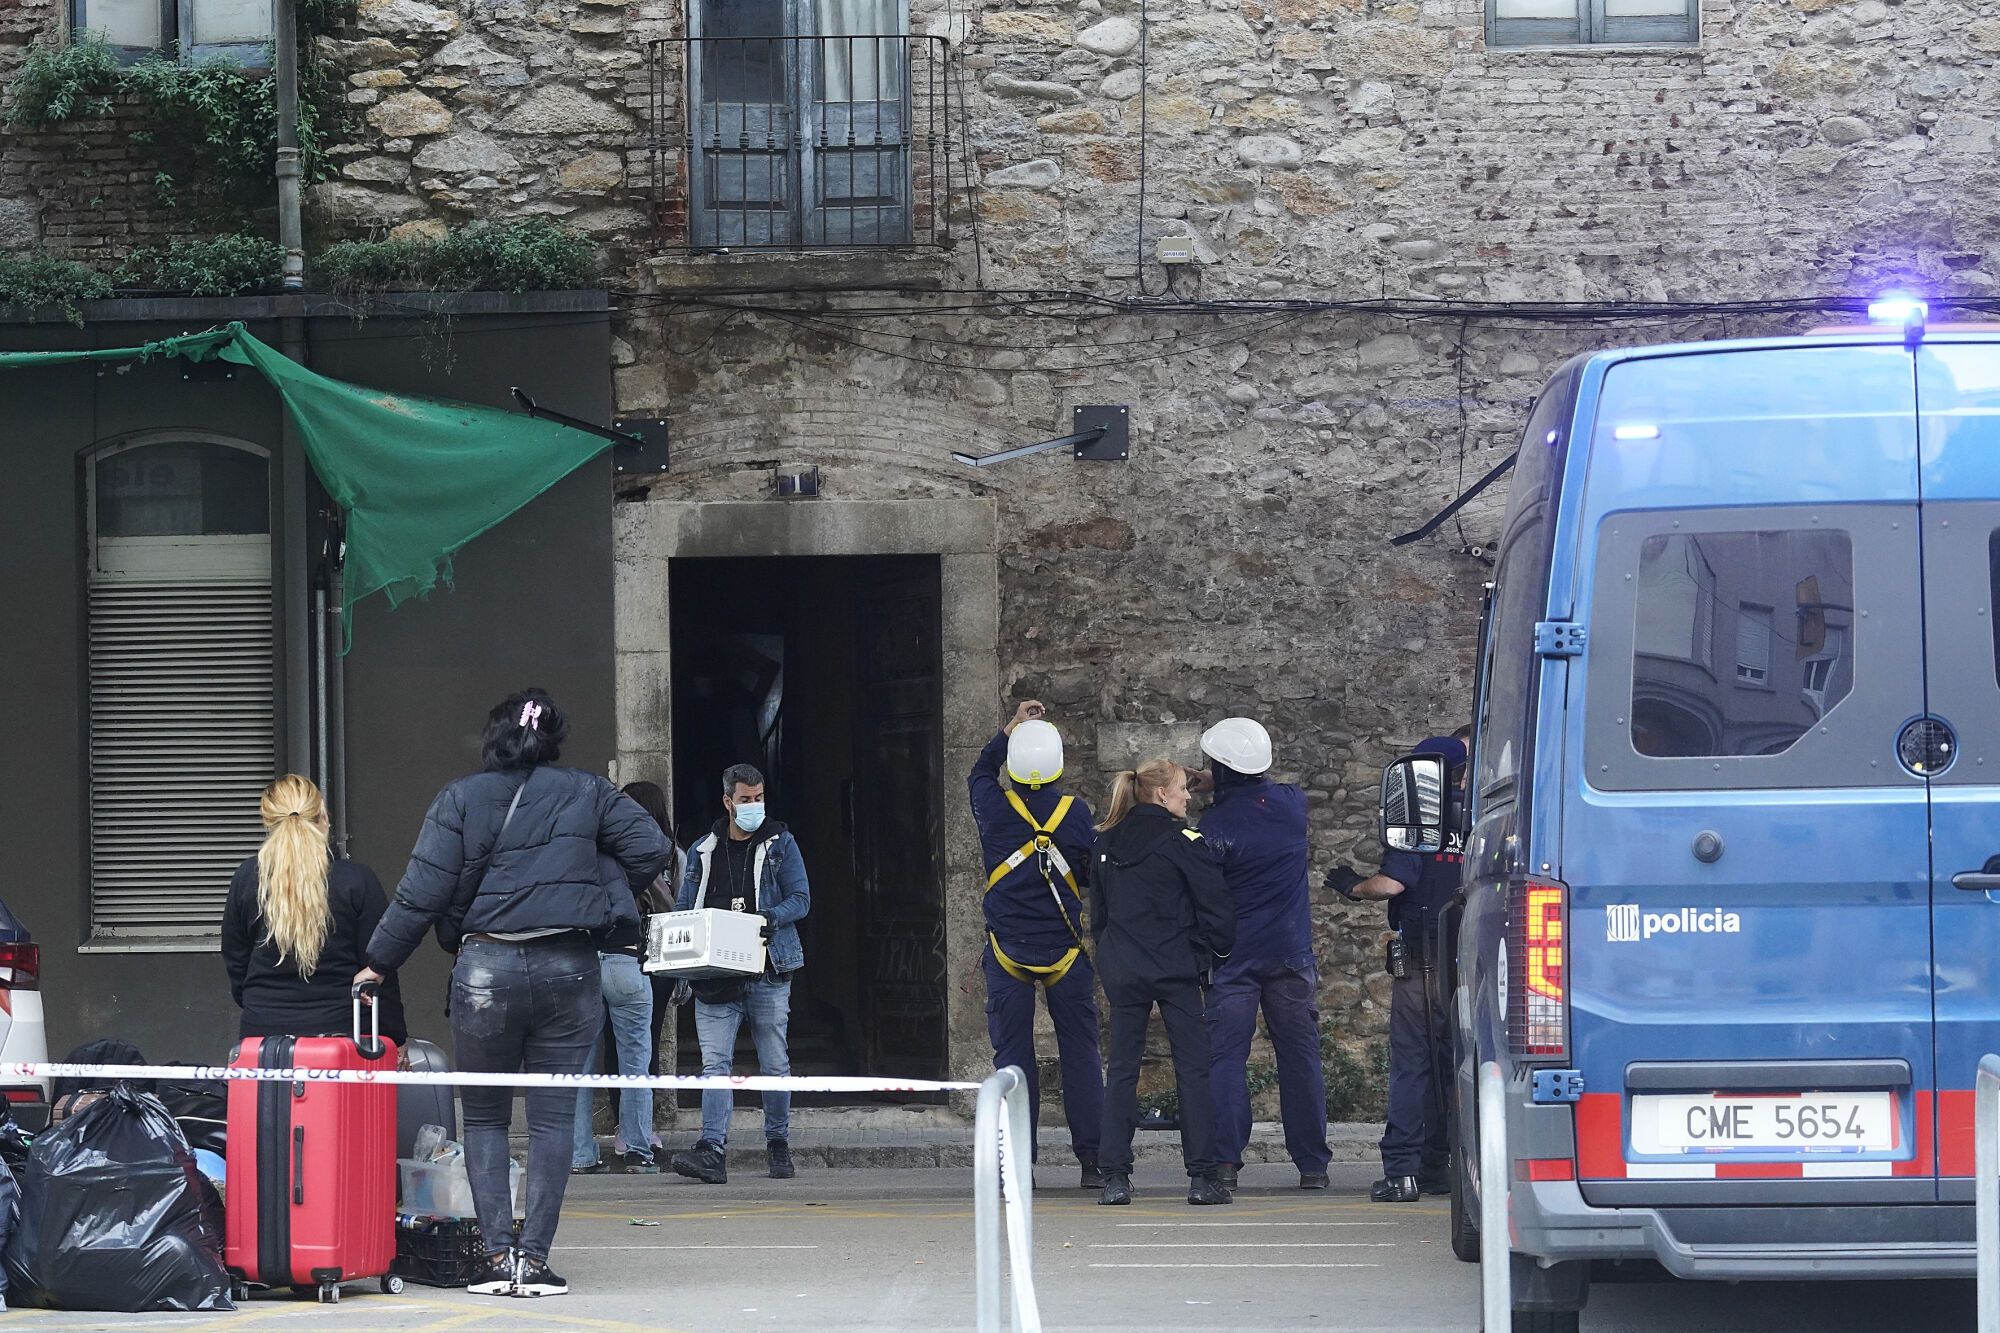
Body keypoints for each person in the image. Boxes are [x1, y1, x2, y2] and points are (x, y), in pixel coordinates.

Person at [359, 688, 668, 1299]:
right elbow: (652, 849)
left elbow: (420, 893)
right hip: (569, 967)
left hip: (486, 972)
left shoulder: (460, 798)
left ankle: (498, 1257)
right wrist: (601, 890)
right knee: (553, 1123)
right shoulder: (590, 792)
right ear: (553, 738)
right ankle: (538, 1260)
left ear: (493, 738)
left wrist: (377, 961)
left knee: (485, 1119)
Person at [1193, 717, 1334, 1191]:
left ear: (1222, 769)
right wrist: (1225, 778)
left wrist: (1213, 787)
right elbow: (1258, 790)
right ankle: (1312, 1164)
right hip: (1291, 953)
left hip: (1234, 959)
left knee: (1227, 1057)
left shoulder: (1214, 825)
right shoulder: (1292, 805)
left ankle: (1226, 1162)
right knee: (1299, 1056)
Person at [967, 700, 1104, 1189]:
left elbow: (980, 769)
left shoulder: (993, 805)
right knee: (1081, 1054)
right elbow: (1088, 875)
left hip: (1008, 949)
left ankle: (1019, 1164)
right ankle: (1093, 1161)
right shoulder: (1076, 813)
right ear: (1059, 766)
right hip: (1064, 948)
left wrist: (1010, 728)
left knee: (1014, 1060)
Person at [1091, 758, 1238, 1207]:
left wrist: (1113, 956)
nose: (1188, 795)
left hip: (1125, 968)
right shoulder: (1184, 842)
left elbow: (1099, 914)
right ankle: (1202, 1177)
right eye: (1181, 788)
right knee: (1193, 1070)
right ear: (1160, 794)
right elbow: (1216, 907)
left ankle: (1114, 1177)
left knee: (1121, 1072)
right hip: (1175, 969)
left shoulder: (1105, 841)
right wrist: (1212, 955)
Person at [1341, 729, 1470, 1203]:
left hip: (1421, 954)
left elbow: (1393, 885)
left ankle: (1402, 1170)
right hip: (1467, 953)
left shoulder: (1419, 818)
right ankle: (1440, 1164)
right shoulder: (1484, 815)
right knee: (1452, 1063)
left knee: (1412, 1064)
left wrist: (1353, 886)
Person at [668, 763, 811, 1186]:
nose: (754, 806)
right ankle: (712, 1149)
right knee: (715, 1065)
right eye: (746, 800)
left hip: (768, 968)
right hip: (715, 973)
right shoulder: (703, 849)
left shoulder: (782, 844)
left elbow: (801, 899)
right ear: (728, 802)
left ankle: (778, 1144)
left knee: (774, 1062)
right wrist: (677, 956)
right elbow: (684, 906)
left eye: (759, 798)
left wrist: (766, 918)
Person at [223, 774, 408, 1048]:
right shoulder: (357, 880)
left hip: (262, 1037)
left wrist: (261, 1004)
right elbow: (381, 967)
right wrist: (396, 1037)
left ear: (268, 822)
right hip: (347, 1034)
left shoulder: (247, 878)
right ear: (323, 818)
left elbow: (236, 963)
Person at [569, 847, 660, 1176]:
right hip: (626, 960)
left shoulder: (571, 858)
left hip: (584, 963)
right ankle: (637, 1150)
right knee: (636, 1063)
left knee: (580, 1067)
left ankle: (579, 1154)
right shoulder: (631, 857)